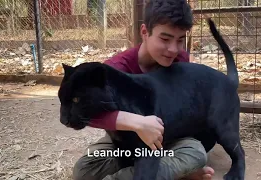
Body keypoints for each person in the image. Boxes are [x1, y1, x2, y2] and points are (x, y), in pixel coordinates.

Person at [72, 0, 215, 179]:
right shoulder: (116, 68)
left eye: (180, 40)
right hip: (125, 144)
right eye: (165, 39)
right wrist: (136, 122)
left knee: (196, 153)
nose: (173, 49)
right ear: (145, 32)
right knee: (84, 170)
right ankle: (174, 171)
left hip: (167, 140)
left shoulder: (181, 61)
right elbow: (84, 112)